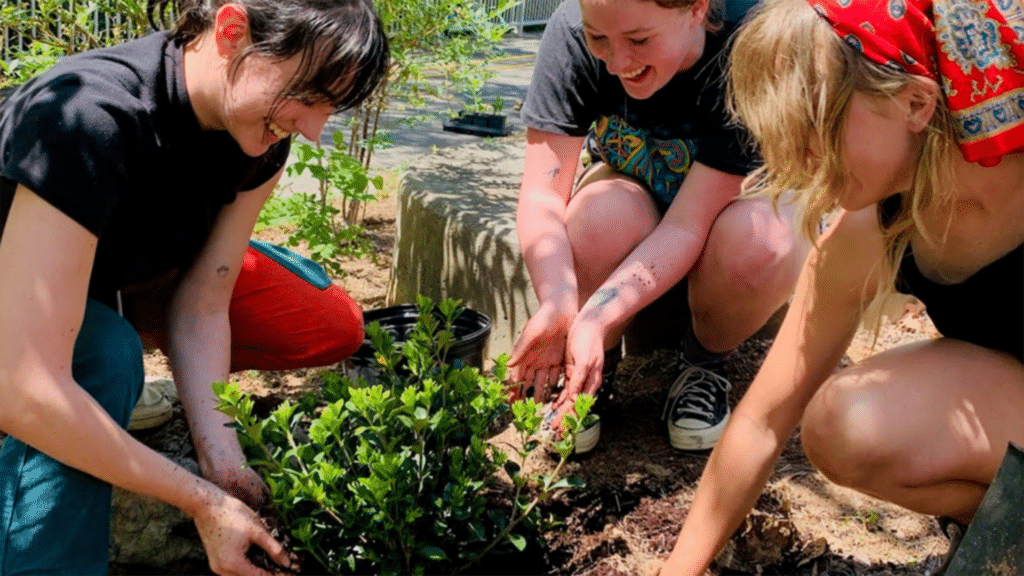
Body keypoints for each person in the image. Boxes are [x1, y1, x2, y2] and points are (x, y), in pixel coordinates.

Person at [0, 0, 388, 573]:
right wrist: (196, 499)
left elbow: (206, 300)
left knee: (327, 322)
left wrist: (221, 461)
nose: (314, 130)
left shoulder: (259, 138)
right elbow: (20, 387)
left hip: (116, 273)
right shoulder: (86, 116)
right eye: (307, 97)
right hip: (19, 280)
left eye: (329, 108)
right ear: (232, 31)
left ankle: (103, 365)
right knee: (106, 358)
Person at [658, 0, 1023, 573]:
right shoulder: (871, 220)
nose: (802, 162)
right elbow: (761, 419)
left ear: (916, 103)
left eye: (818, 131)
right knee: (842, 423)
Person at [507, 0, 808, 454]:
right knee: (597, 223)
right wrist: (559, 304)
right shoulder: (570, 29)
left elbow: (688, 224)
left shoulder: (753, 41)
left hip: (732, 198)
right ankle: (591, 367)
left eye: (640, 40)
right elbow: (542, 194)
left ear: (696, 8)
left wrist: (597, 312)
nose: (617, 62)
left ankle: (705, 363)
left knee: (761, 245)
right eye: (598, 39)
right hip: (633, 179)